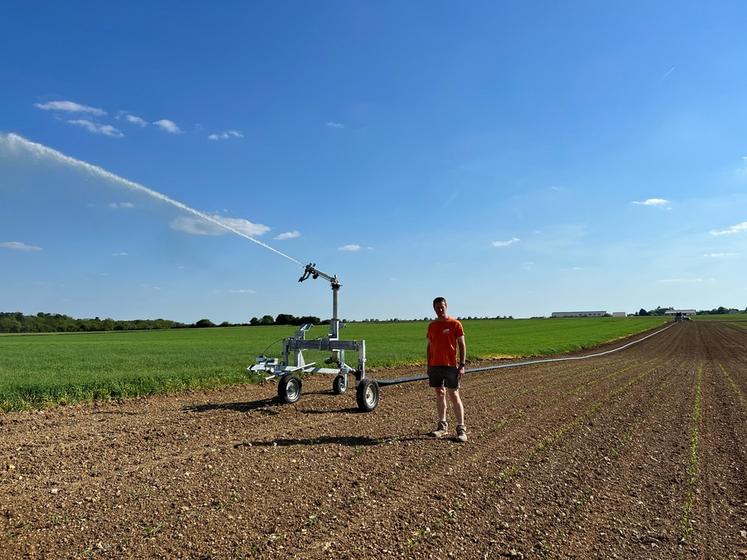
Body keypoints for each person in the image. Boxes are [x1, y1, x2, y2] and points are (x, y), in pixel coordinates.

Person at [426, 296, 467, 442]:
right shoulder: (432, 326)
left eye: (442, 306)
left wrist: (462, 365)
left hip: (451, 365)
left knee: (454, 395)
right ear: (434, 308)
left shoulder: (455, 324)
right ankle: (442, 427)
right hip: (435, 365)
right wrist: (429, 365)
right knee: (439, 393)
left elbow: (462, 345)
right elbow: (430, 346)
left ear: (446, 306)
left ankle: (461, 429)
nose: (440, 309)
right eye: (437, 307)